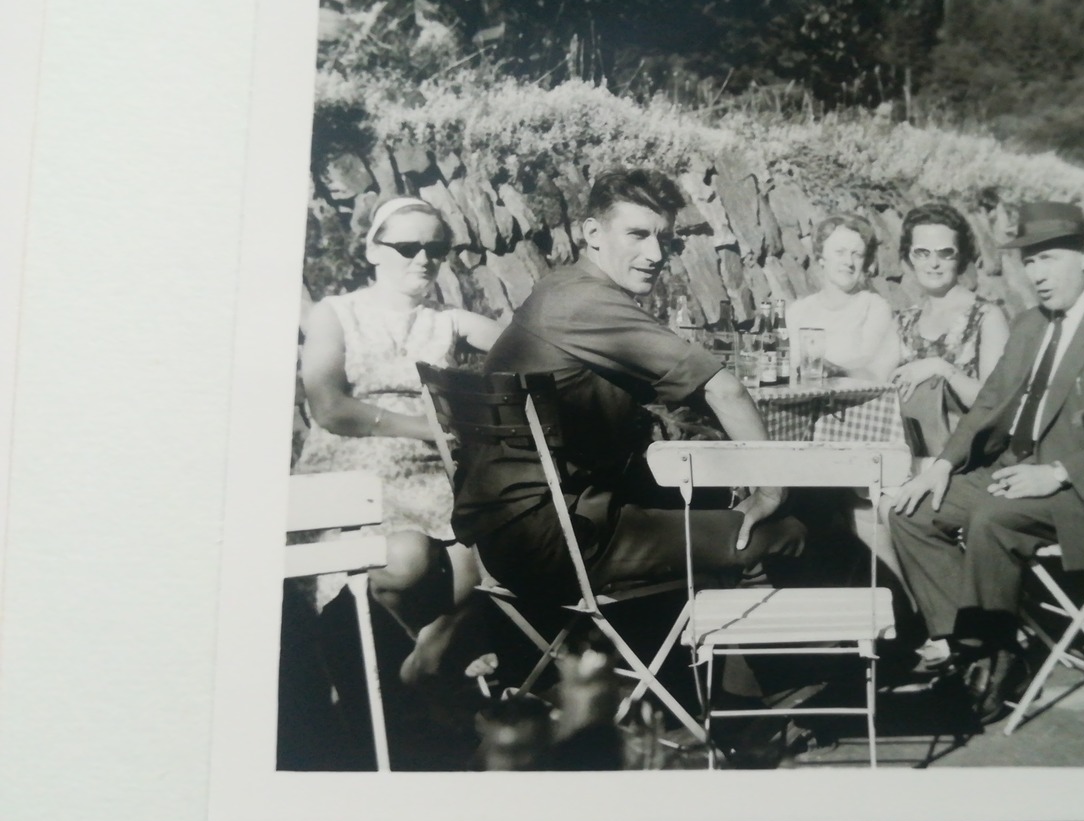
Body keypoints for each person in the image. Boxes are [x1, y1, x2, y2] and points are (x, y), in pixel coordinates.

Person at [452, 167, 805, 611]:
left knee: (719, 498)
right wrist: (772, 489)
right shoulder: (587, 301)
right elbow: (725, 391)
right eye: (638, 235)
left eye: (665, 239)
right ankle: (772, 672)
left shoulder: (560, 288)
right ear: (593, 233)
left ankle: (717, 660)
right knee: (785, 527)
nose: (656, 253)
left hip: (517, 531)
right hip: (565, 540)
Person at [888, 201, 1084, 720]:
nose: (1037, 274)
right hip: (1011, 474)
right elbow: (991, 402)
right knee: (910, 513)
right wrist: (944, 465)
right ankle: (967, 646)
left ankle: (988, 666)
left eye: (1050, 259)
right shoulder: (1031, 325)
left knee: (991, 520)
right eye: (1030, 262)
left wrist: (1057, 473)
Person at [297, 196, 504, 684]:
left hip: (436, 479)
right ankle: (424, 656)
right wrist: (425, 428)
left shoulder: (447, 320)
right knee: (407, 558)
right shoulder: (335, 314)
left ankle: (421, 665)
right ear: (373, 250)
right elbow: (329, 407)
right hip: (357, 476)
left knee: (486, 562)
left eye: (437, 247)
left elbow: (527, 342)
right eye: (407, 246)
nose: (424, 259)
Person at [890, 202, 1010, 458]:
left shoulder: (986, 317)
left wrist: (941, 368)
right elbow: (877, 381)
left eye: (945, 253)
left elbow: (994, 405)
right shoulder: (904, 322)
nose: (933, 263)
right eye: (922, 252)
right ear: (909, 257)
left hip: (966, 459)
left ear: (962, 257)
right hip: (910, 455)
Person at [785, 212, 901, 383]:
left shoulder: (874, 308)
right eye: (840, 252)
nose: (849, 261)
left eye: (857, 254)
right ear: (821, 257)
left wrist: (837, 371)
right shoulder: (797, 312)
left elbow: (876, 371)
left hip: (855, 404)